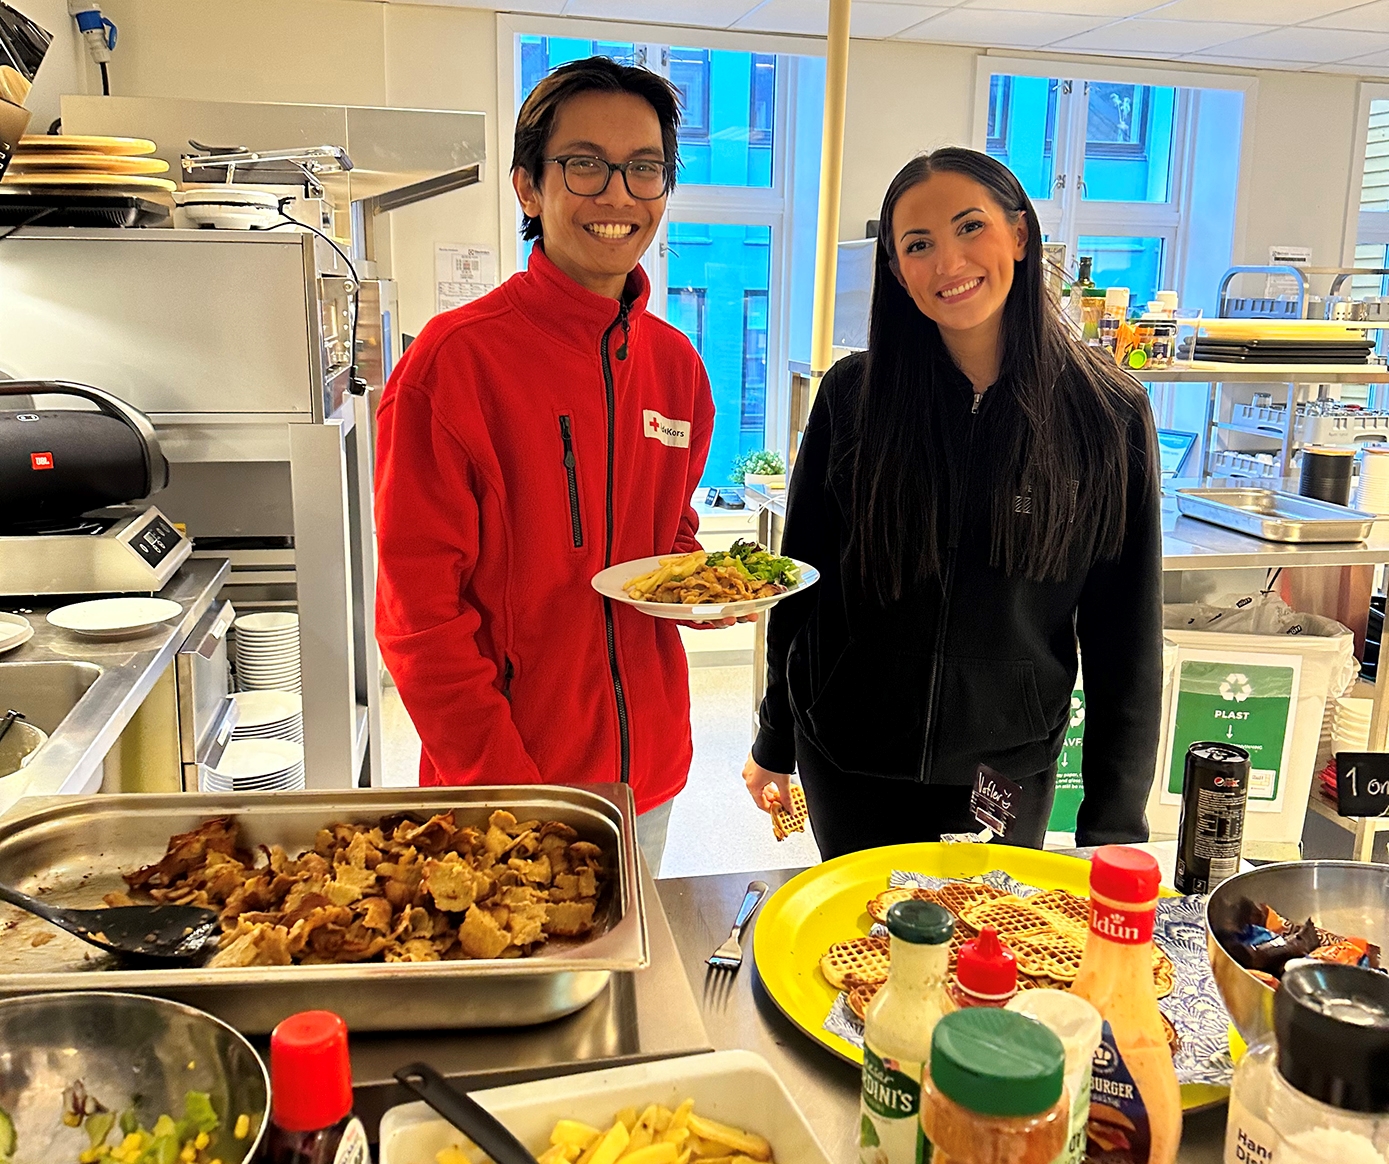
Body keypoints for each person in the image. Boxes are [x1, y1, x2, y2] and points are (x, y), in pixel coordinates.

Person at [741, 147, 1162, 859]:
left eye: (970, 227)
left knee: (987, 932)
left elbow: (1125, 635)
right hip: (848, 756)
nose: (948, 262)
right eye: (918, 245)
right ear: (897, 270)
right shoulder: (853, 398)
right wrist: (774, 738)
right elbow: (803, 584)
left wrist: (1114, 827)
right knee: (858, 928)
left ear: (1019, 234)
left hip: (1004, 771)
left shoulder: (1106, 412)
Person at [374, 56, 723, 876]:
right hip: (503, 788)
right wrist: (508, 791)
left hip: (648, 776)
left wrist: (703, 587)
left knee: (626, 957)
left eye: (644, 169)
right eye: (585, 165)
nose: (618, 195)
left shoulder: (675, 366)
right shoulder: (454, 363)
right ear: (529, 187)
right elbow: (418, 618)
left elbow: (669, 536)